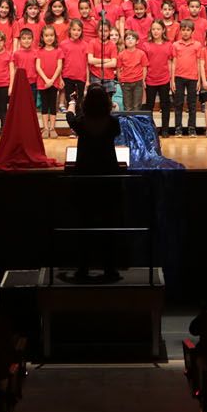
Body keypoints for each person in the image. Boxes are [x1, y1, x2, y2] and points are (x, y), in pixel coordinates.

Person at [63, 85, 124, 283]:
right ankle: (110, 268)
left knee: (84, 226)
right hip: (108, 178)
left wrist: (72, 103)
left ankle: (83, 268)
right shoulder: (113, 123)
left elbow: (71, 118)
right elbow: (111, 123)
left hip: (86, 178)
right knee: (109, 227)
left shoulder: (81, 123)